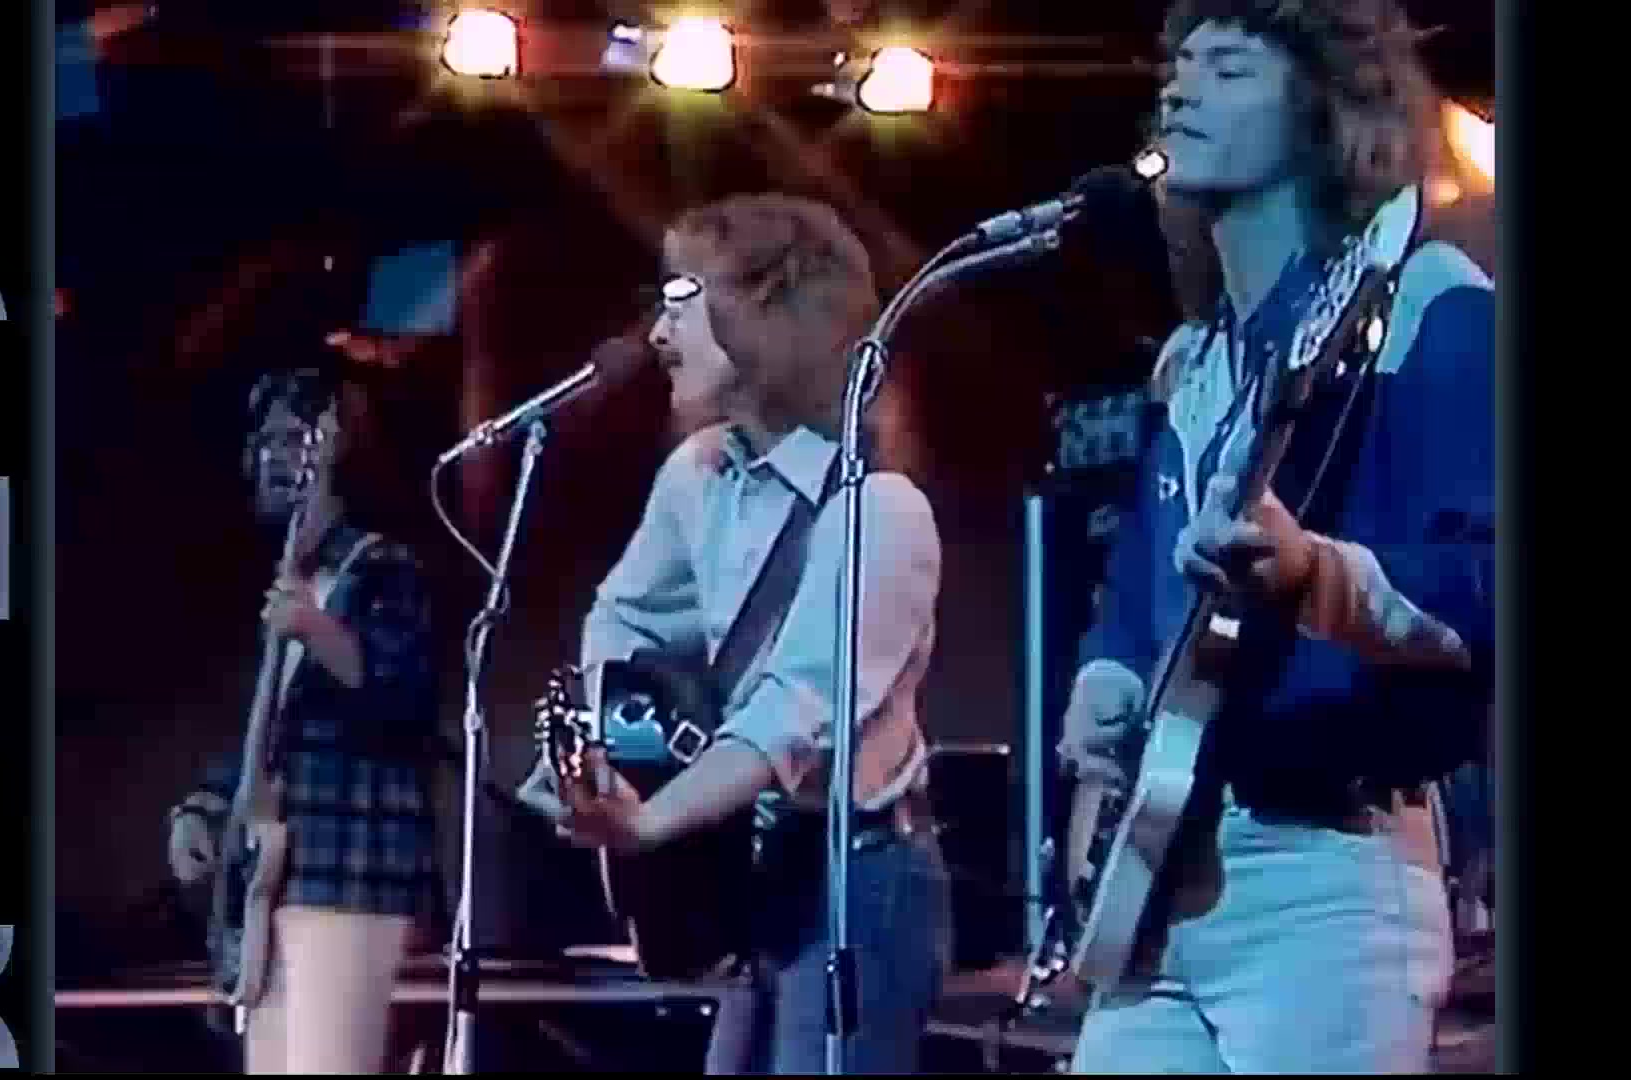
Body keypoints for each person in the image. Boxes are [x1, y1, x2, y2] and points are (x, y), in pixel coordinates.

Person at [1058, 0, 1495, 1072]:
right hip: (1159, 879)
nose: (1179, 88)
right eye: (1179, 65)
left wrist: (1313, 574)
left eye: (1228, 67)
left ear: (1323, 107)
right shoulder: (1192, 364)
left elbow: (1484, 585)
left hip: (1327, 884)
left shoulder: (1430, 301)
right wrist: (1104, 686)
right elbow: (1137, 603)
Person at [519, 194, 952, 1074]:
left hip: (862, 882)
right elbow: (626, 622)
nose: (657, 333)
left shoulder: (882, 514)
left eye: (684, 298)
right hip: (755, 874)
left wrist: (653, 821)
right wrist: (622, 751)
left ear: (771, 314)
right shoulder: (697, 477)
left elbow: (792, 714)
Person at [166, 369, 443, 1074]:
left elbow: (407, 702)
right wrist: (203, 807)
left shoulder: (382, 567)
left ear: (337, 450)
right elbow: (270, 740)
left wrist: (318, 630)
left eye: (292, 440)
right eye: (264, 443)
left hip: (353, 882)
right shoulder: (295, 581)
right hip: (287, 886)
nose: (271, 459)